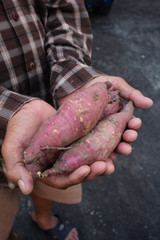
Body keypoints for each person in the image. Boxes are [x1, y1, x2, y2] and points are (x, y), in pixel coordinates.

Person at [0, 1, 153, 240]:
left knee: (50, 180)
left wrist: (73, 74)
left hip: (53, 103)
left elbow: (63, 9)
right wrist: (7, 110)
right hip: (21, 129)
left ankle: (42, 217)